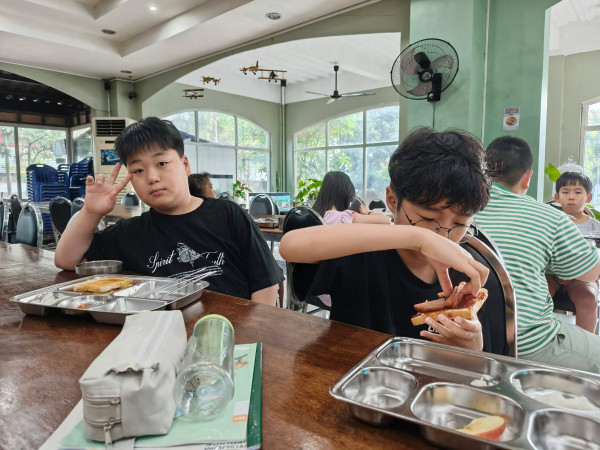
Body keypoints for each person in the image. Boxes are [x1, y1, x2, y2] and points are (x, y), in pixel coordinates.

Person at [280, 127, 492, 352]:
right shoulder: (363, 249)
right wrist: (420, 239)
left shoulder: (469, 273)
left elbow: (480, 361)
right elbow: (290, 245)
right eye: (428, 218)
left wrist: (472, 347)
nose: (444, 236)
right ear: (392, 200)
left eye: (460, 223)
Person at [55, 117, 283, 305]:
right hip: (166, 334)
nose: (152, 177)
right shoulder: (131, 232)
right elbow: (66, 260)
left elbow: (266, 284)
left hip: (231, 331)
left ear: (185, 165)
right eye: (138, 170)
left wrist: (256, 333)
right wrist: (91, 212)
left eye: (161, 163)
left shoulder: (227, 214)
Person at [475, 136, 600, 371]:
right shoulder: (549, 217)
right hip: (529, 342)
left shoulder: (456, 211)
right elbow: (591, 272)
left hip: (464, 336)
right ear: (527, 178)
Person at [546, 171, 600, 333]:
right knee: (538, 293)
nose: (571, 197)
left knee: (587, 299)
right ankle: (541, 337)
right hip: (551, 274)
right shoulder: (550, 222)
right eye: (565, 192)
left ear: (588, 198)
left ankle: (587, 342)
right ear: (557, 197)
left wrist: (574, 275)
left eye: (577, 192)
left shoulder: (595, 227)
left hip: (583, 278)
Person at [312, 171, 390, 225]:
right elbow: (386, 220)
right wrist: (368, 212)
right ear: (344, 196)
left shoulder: (314, 215)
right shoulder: (343, 217)